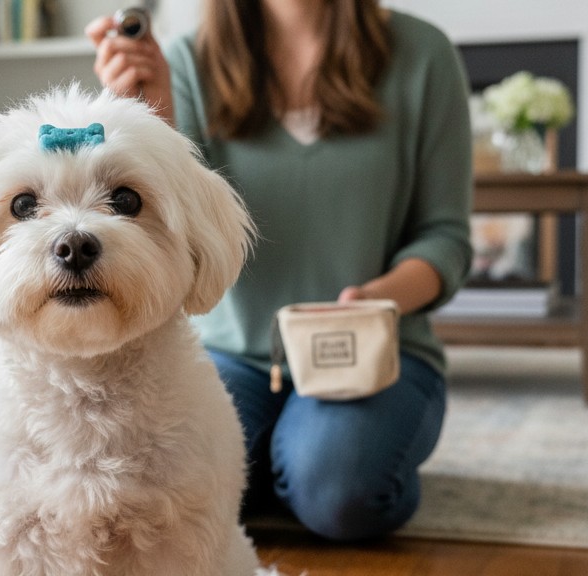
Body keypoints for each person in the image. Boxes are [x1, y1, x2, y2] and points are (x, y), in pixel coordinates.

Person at [86, 0, 472, 541]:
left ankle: (298, 466)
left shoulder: (423, 55)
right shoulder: (184, 64)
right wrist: (150, 119)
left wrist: (377, 298)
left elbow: (446, 237)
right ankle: (280, 460)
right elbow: (184, 230)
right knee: (149, 483)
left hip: (374, 351)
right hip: (234, 354)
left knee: (338, 490)